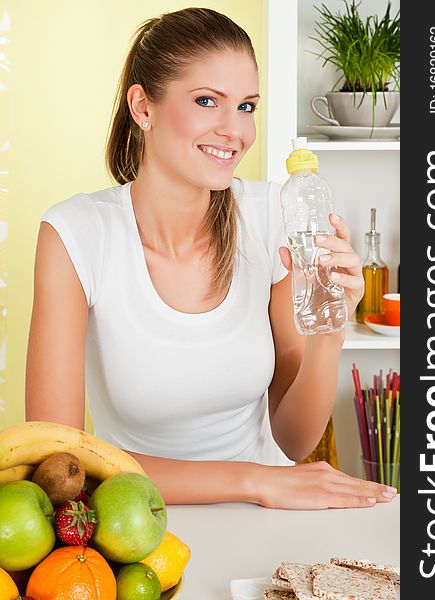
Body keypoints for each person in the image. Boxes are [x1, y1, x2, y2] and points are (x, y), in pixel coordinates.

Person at [25, 7, 396, 509]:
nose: (234, 131)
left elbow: (291, 440)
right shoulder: (76, 234)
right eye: (207, 101)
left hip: (265, 515)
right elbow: (61, 459)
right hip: (132, 519)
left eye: (246, 107)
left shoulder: (271, 215)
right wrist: (254, 480)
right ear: (143, 107)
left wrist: (330, 334)